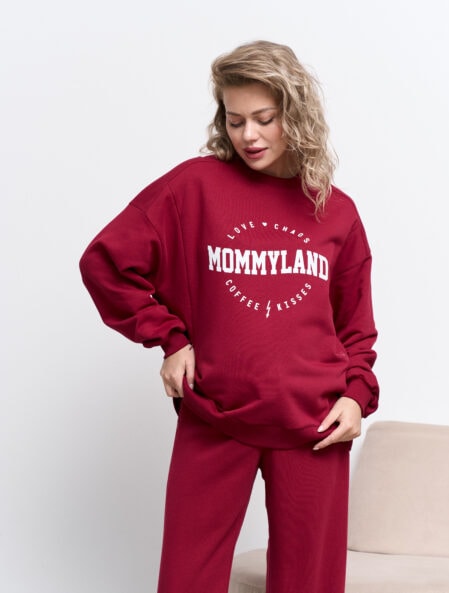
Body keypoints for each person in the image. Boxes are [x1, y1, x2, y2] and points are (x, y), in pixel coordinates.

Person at [80, 40, 379, 593]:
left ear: (296, 113)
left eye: (264, 118)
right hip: (215, 411)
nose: (249, 136)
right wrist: (170, 339)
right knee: (187, 580)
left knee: (310, 585)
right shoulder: (194, 187)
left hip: (315, 423)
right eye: (235, 120)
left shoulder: (336, 212)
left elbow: (355, 326)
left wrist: (356, 396)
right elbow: (106, 263)